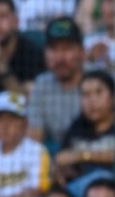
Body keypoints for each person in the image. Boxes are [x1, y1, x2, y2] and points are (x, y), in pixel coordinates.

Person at [53, 71, 115, 197]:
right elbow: (61, 157)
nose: (92, 101)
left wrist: (83, 155)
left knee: (100, 177)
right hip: (80, 191)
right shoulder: (78, 127)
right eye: (86, 95)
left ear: (112, 96)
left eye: (99, 92)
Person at [28, 18, 85, 149]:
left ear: (82, 52)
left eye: (67, 49)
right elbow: (34, 140)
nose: (60, 58)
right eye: (53, 49)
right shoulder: (42, 84)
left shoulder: (96, 82)